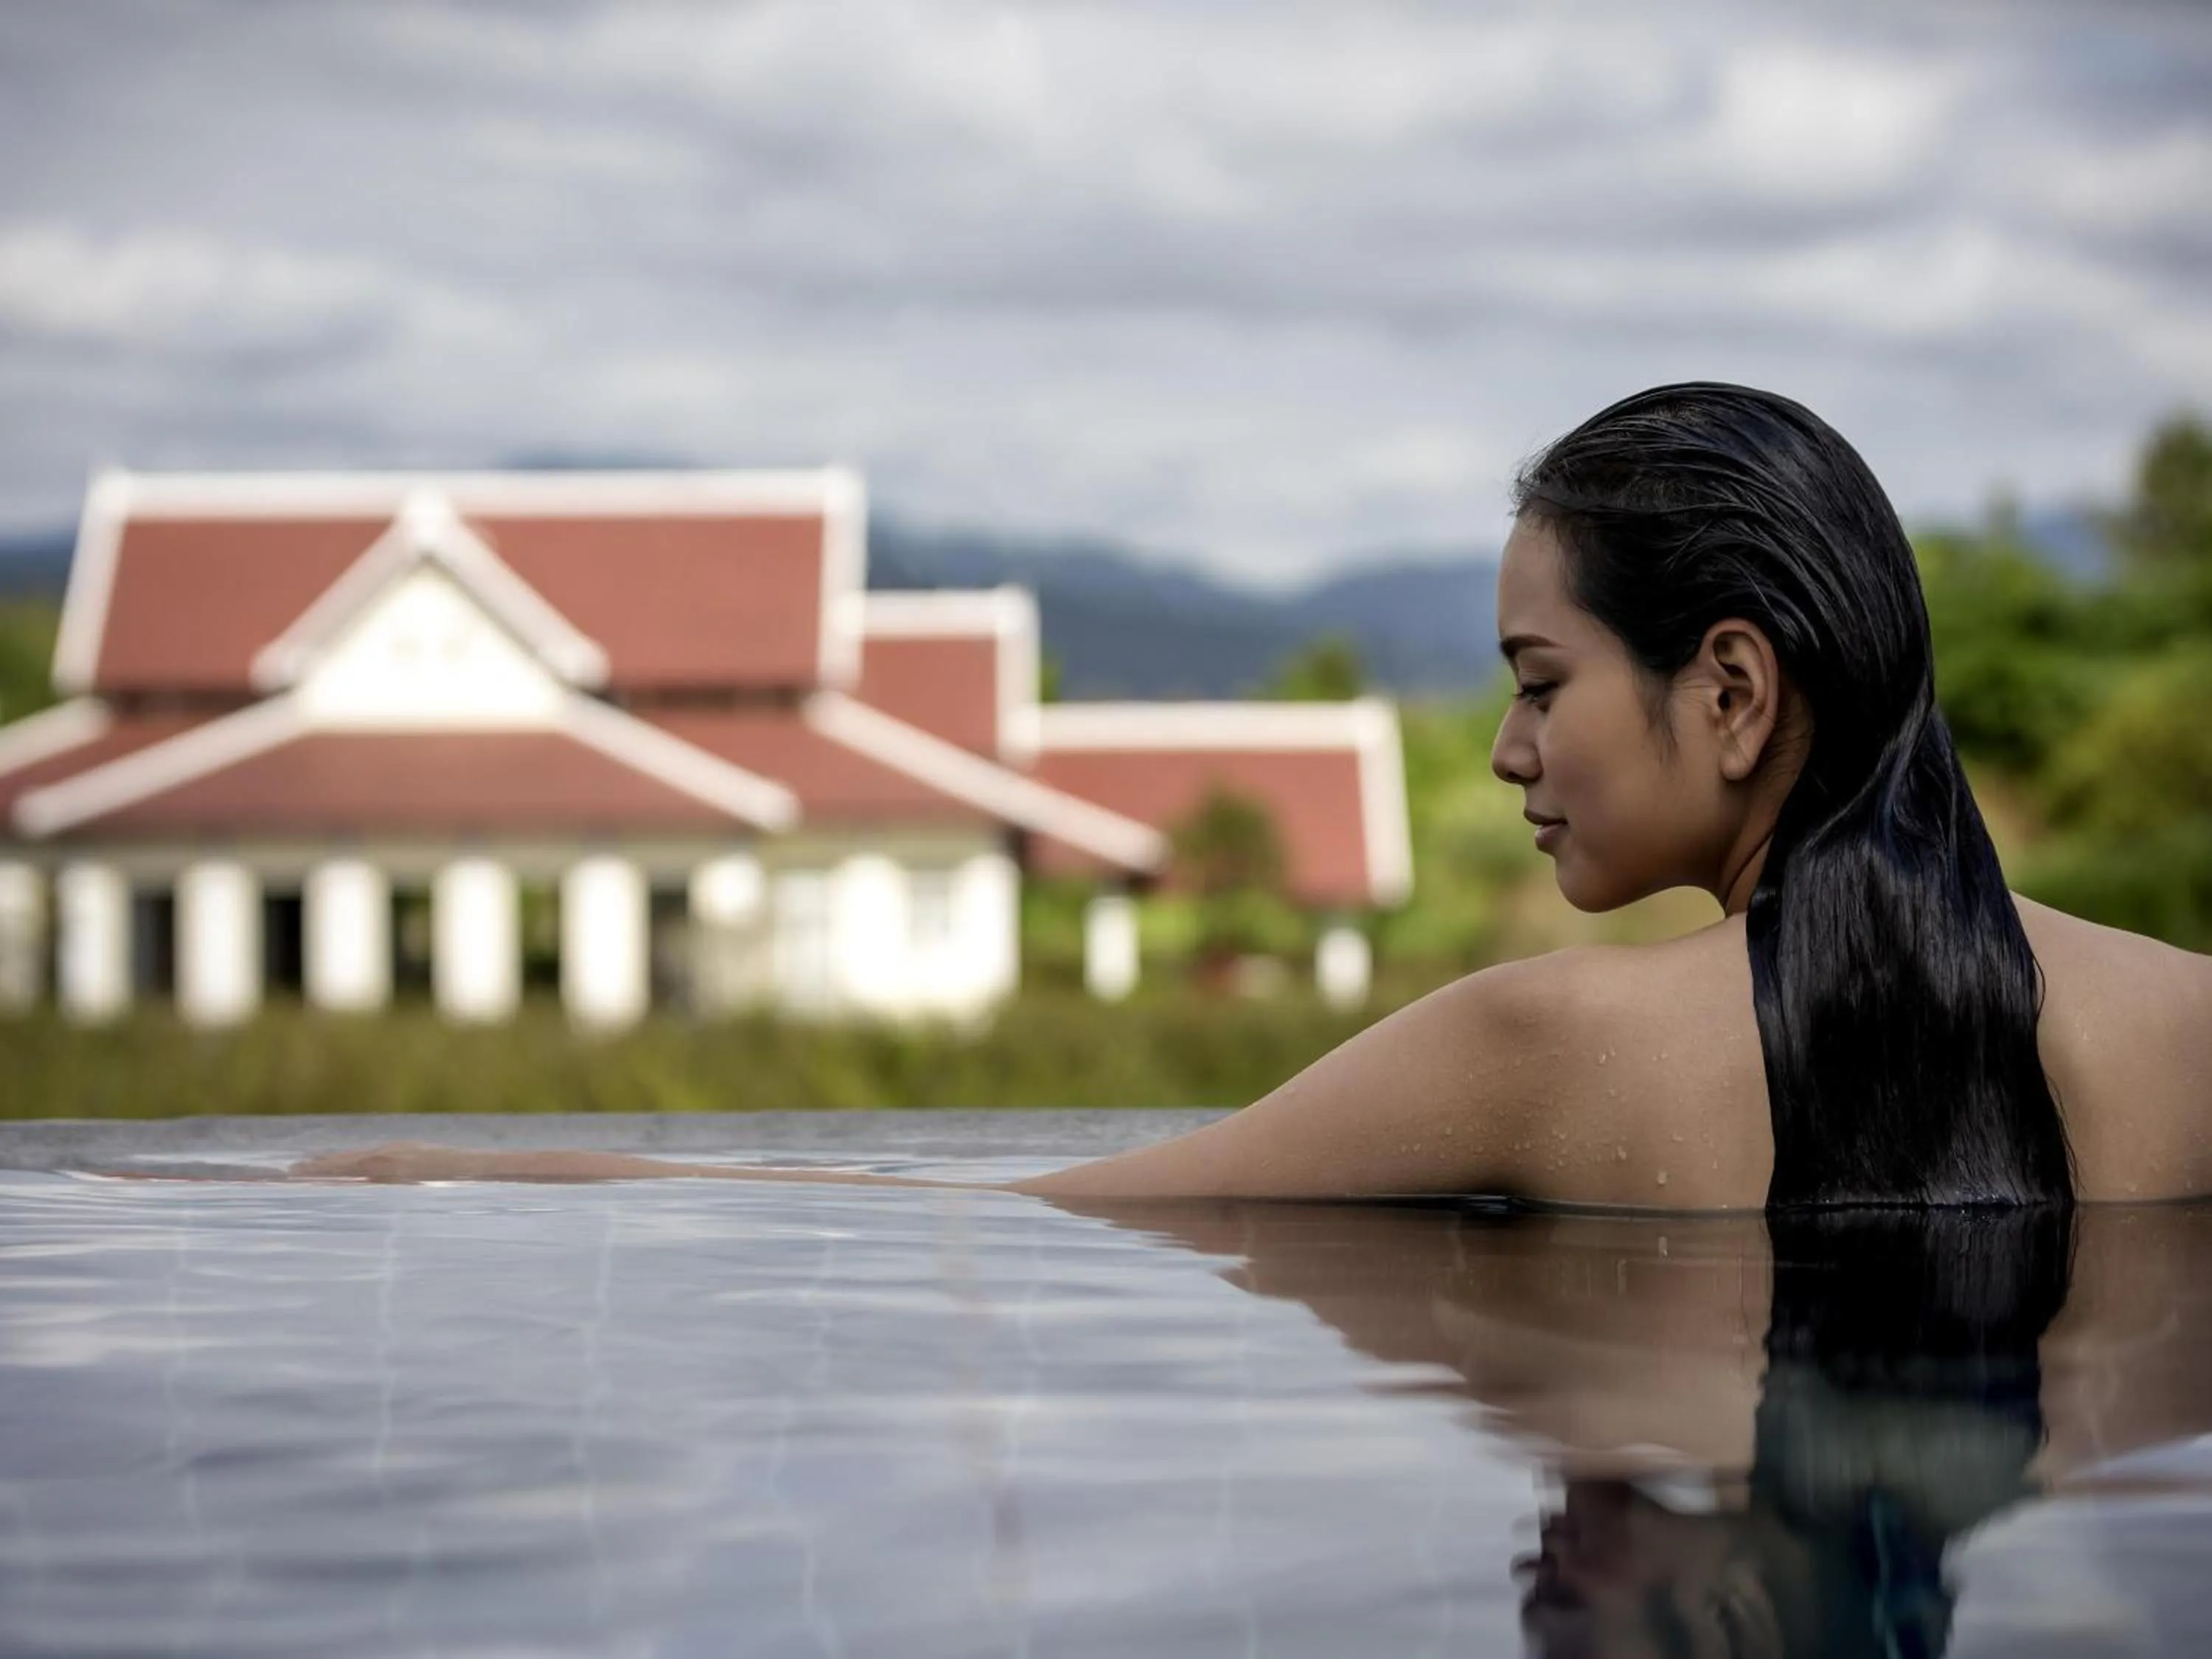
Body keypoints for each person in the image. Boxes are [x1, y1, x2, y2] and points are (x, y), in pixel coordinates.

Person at [295, 383, 2212, 1207]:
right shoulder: (2185, 1031)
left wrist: (494, 1173)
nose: (1507, 752)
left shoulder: (1551, 1049)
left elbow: (1046, 1216)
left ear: (1729, 690)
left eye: (1541, 682)